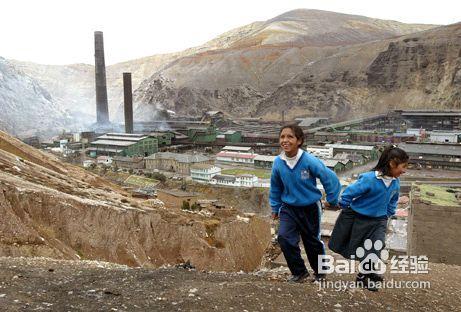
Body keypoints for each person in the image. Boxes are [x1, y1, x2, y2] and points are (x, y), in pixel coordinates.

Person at [328, 145, 409, 291]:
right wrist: (345, 205)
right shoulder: (369, 179)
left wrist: (389, 213)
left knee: (376, 248)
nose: (404, 170)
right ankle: (365, 275)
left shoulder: (395, 182)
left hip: (379, 221)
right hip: (359, 219)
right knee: (363, 249)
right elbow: (349, 193)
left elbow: (393, 199)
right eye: (403, 166)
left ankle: (364, 275)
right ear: (392, 164)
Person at [270, 124, 341, 283]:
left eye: (290, 137)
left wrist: (332, 199)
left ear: (299, 141)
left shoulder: (309, 160)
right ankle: (300, 272)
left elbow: (329, 178)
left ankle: (320, 273)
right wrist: (275, 207)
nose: (285, 140)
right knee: (284, 238)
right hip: (288, 208)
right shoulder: (278, 162)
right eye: (282, 137)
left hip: (310, 207)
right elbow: (276, 186)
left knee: (312, 242)